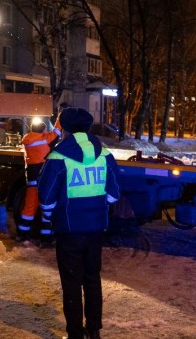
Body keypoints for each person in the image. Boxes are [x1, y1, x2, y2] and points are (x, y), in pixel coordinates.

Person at [38, 108, 120, 339]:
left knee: (71, 282)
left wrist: (50, 216)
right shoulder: (104, 155)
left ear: (63, 128)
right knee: (92, 279)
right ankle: (94, 331)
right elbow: (114, 194)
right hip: (96, 229)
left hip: (68, 229)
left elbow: (45, 197)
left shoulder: (57, 157)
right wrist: (98, 207)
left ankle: (75, 334)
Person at [16, 119, 60, 245]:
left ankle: (22, 235)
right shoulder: (45, 139)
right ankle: (46, 239)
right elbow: (57, 132)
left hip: (31, 178)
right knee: (46, 207)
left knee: (29, 207)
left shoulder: (28, 140)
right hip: (44, 179)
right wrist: (61, 115)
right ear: (42, 130)